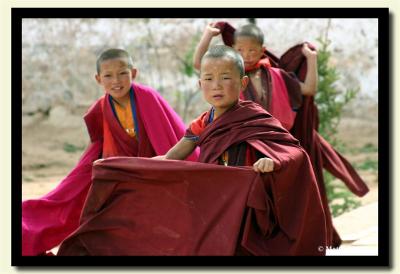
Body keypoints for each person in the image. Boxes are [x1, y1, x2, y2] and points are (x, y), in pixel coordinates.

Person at [56, 45, 327, 256]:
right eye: (208, 78)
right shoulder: (203, 122)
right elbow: (173, 157)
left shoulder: (256, 117)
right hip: (215, 206)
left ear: (243, 83)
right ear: (200, 85)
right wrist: (128, 170)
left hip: (249, 207)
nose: (217, 85)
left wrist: (273, 161)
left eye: (225, 78)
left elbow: (294, 153)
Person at [192, 21, 369, 247]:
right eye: (240, 50)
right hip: (242, 148)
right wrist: (207, 36)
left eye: (252, 50)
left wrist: (312, 59)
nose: (246, 55)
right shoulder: (229, 76)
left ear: (262, 49)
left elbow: (308, 89)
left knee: (281, 207)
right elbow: (200, 65)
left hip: (274, 145)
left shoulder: (277, 75)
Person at [22, 48, 198, 256]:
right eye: (108, 75)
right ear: (98, 79)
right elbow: (98, 145)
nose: (116, 80)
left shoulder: (147, 97)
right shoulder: (100, 108)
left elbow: (170, 134)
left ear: (133, 73)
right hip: (121, 174)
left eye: (123, 73)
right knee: (72, 199)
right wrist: (83, 172)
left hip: (152, 170)